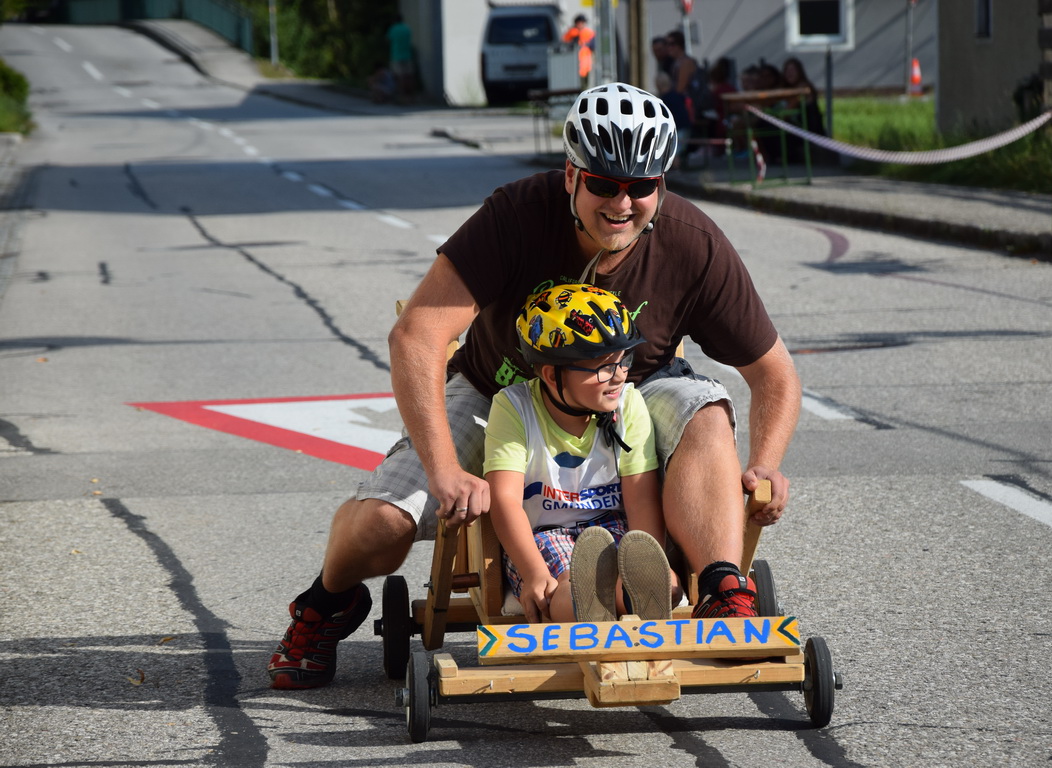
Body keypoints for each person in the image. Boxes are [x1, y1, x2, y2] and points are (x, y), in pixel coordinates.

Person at [267, 82, 802, 690]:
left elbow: (774, 374)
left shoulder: (693, 242)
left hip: (629, 391)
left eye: (641, 186)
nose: (622, 202)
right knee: (384, 527)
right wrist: (444, 471)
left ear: (661, 184)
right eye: (603, 183)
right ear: (571, 175)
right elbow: (415, 336)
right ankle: (325, 602)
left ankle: (721, 589)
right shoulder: (515, 215)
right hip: (501, 393)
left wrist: (765, 466)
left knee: (705, 408)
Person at [486, 284, 681, 623]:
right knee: (562, 588)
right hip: (543, 535)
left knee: (652, 580)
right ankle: (587, 606)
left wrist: (654, 558)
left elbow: (641, 496)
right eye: (604, 368)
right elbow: (504, 499)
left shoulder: (628, 403)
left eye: (624, 362)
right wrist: (532, 572)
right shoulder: (513, 407)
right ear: (551, 374)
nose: (618, 376)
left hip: (614, 526)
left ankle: (635, 596)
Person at [654, 71, 691, 169]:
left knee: (673, 150)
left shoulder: (664, 100)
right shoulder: (677, 94)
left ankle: (676, 170)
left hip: (678, 129)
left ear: (658, 85)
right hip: (686, 127)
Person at [562, 14, 596, 86]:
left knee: (585, 82)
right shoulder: (572, 32)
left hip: (586, 61)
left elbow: (593, 45)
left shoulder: (589, 32)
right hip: (573, 61)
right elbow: (564, 42)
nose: (580, 24)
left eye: (582, 22)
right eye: (579, 22)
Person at [386, 14, 414, 100]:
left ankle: (402, 96)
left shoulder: (393, 29)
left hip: (396, 55)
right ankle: (410, 96)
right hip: (407, 54)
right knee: (408, 76)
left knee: (399, 77)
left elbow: (388, 40)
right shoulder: (407, 28)